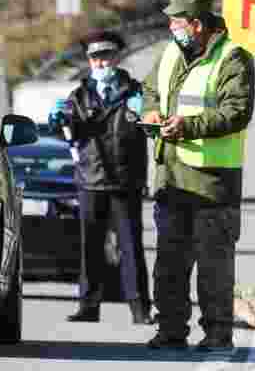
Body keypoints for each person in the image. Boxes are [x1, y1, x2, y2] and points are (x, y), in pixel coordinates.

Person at [140, 0, 255, 352]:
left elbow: (236, 111)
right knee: (169, 264)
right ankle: (171, 330)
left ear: (197, 23)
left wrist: (188, 126)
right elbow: (149, 90)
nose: (171, 27)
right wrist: (151, 112)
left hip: (213, 183)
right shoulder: (170, 54)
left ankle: (218, 334)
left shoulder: (233, 58)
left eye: (176, 21)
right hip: (171, 178)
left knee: (213, 267)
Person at [49, 30, 153, 325]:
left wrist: (144, 114)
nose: (101, 63)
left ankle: (140, 308)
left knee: (130, 246)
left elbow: (150, 126)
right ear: (89, 61)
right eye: (95, 57)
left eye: (106, 56)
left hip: (124, 179)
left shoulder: (135, 92)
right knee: (90, 246)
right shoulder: (79, 95)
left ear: (117, 58)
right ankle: (88, 306)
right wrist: (57, 122)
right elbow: (66, 131)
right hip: (91, 178)